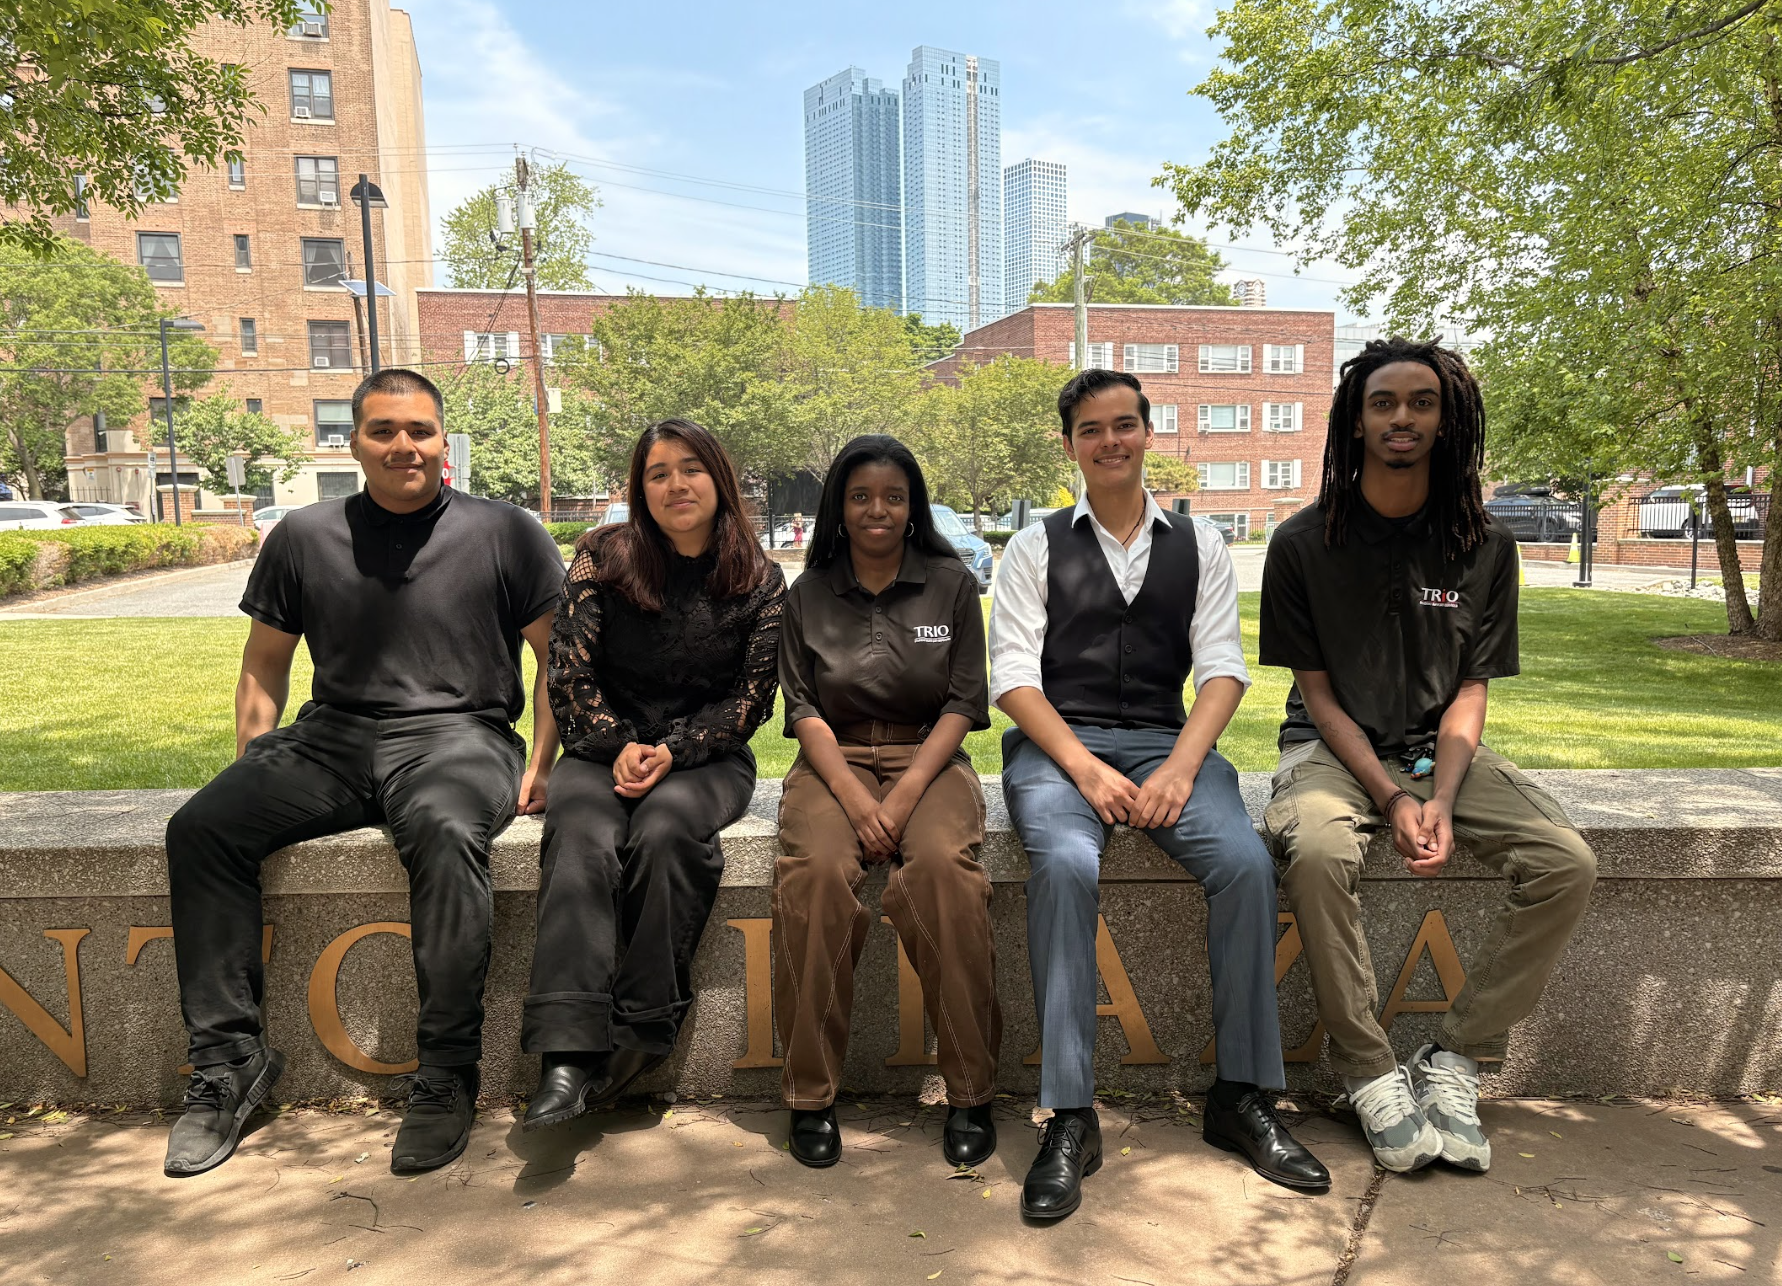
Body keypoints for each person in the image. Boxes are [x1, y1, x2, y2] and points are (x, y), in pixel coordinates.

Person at [162, 368, 567, 1177]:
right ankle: (228, 1065)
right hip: (333, 740)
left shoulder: (506, 532)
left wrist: (542, 759)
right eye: (383, 430)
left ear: (443, 440)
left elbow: (557, 658)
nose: (403, 445)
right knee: (202, 827)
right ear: (354, 442)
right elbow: (264, 664)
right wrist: (252, 762)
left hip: (462, 737)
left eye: (418, 429)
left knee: (449, 833)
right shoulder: (305, 536)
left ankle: (447, 1073)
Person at [989, 369, 1328, 1221]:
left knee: (1247, 866)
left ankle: (1240, 1097)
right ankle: (1069, 1114)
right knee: (1065, 863)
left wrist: (1180, 767)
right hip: (1058, 744)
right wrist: (1084, 769)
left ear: (1148, 433)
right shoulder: (1033, 547)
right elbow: (1012, 679)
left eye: (1125, 425)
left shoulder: (1201, 544)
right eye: (1092, 429)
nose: (1110, 441)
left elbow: (1221, 667)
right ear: (1069, 445)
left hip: (1165, 742)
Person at [1259, 336, 1596, 1174]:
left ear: (1447, 421)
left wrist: (1438, 796)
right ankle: (1371, 1073)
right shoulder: (1302, 542)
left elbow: (1471, 691)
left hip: (1439, 752)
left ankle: (1455, 1057)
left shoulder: (1486, 543)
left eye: (1420, 403)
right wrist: (1387, 791)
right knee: (1320, 848)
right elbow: (1320, 695)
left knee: (1566, 861)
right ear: (1355, 419)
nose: (1401, 417)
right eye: (1383, 403)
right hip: (1330, 750)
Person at [521, 418, 786, 1129]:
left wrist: (675, 749)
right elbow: (567, 670)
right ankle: (566, 1055)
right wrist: (617, 744)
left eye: (691, 467)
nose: (676, 484)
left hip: (708, 756)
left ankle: (645, 1025)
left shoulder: (759, 576)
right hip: (602, 749)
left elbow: (753, 699)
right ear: (640, 488)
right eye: (658, 472)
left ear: (719, 478)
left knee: (667, 830)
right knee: (580, 834)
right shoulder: (601, 558)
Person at [772, 435, 1000, 1169]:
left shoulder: (951, 584)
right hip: (832, 759)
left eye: (893, 497)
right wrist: (852, 795)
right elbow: (803, 710)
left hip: (929, 760)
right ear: (839, 506)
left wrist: (898, 802)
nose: (877, 509)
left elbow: (964, 703)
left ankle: (970, 1089)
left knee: (941, 872)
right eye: (861, 496)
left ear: (913, 508)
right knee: (814, 874)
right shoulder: (805, 594)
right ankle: (811, 1096)